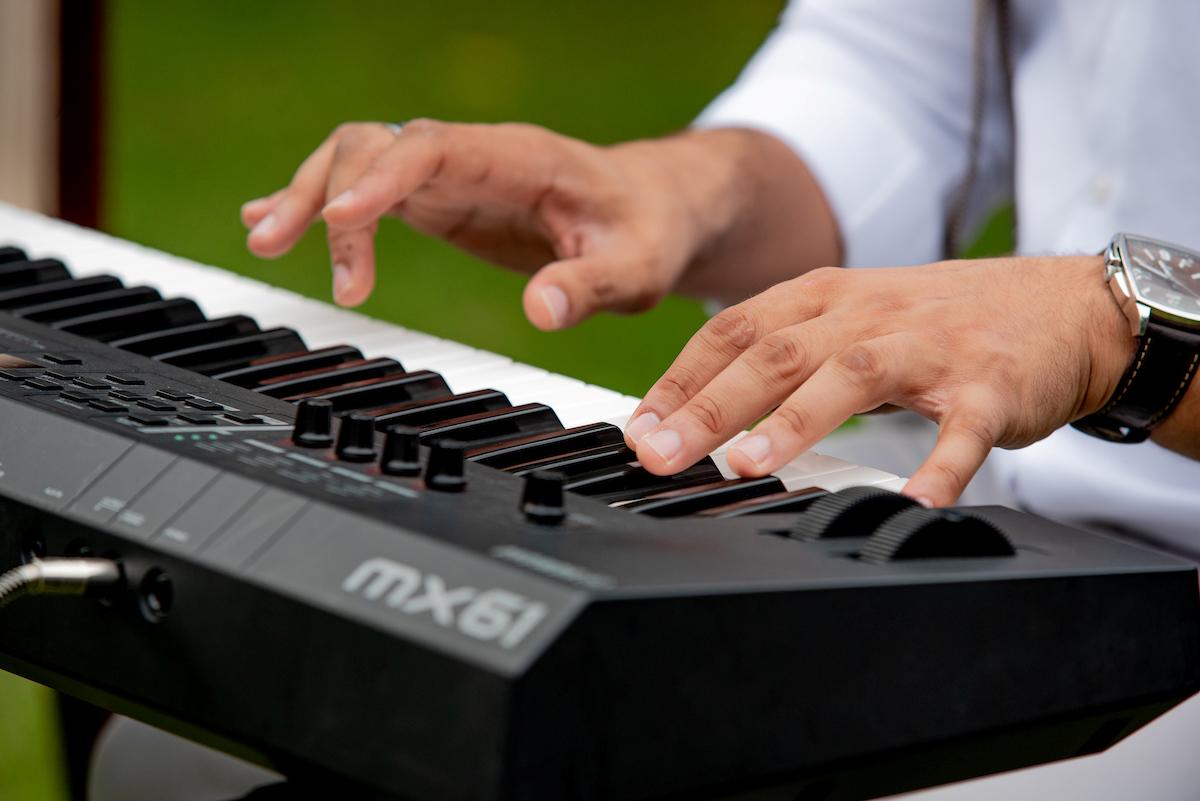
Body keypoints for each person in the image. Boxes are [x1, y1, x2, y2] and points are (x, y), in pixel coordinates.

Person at [92, 1, 1200, 799]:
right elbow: (897, 77)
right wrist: (674, 191)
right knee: (180, 757)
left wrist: (1116, 330)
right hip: (1031, 515)